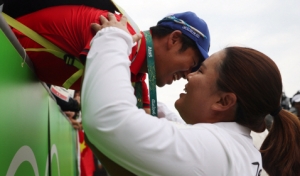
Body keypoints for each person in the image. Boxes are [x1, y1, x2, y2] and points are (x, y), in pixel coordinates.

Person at [81, 14, 300, 176]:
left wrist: (113, 37)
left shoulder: (215, 151)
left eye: (201, 71)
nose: (190, 75)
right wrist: (155, 111)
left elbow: (107, 119)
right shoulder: (235, 146)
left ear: (224, 102)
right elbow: (183, 135)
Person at [9, 5, 210, 114]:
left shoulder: (134, 67)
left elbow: (151, 123)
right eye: (191, 65)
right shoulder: (114, 34)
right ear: (174, 40)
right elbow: (106, 115)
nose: (187, 76)